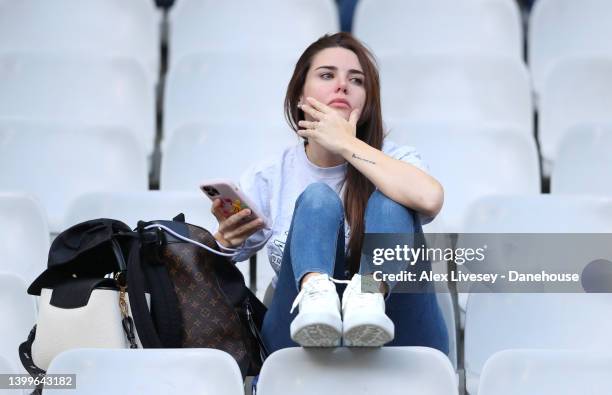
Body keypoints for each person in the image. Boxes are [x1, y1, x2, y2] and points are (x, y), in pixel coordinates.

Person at [211, 32, 448, 354]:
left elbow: (430, 198)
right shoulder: (270, 174)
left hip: (398, 327)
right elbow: (213, 268)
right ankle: (316, 302)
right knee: (317, 200)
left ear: (365, 105)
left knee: (393, 200)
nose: (342, 86)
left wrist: (348, 145)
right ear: (299, 96)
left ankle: (367, 297)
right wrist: (224, 241)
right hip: (299, 332)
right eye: (326, 75)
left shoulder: (397, 159)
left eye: (356, 80)